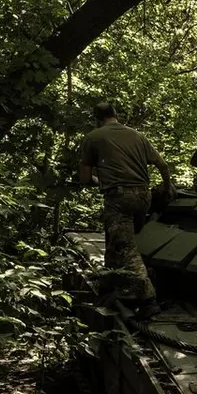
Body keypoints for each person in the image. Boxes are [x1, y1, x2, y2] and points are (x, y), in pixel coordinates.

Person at [78, 101, 176, 318]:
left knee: (125, 246)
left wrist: (101, 180)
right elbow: (163, 165)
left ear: (97, 118)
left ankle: (149, 299)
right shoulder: (137, 135)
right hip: (144, 195)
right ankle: (112, 285)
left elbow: (85, 178)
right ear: (116, 115)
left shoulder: (94, 137)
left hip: (119, 197)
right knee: (118, 240)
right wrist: (167, 187)